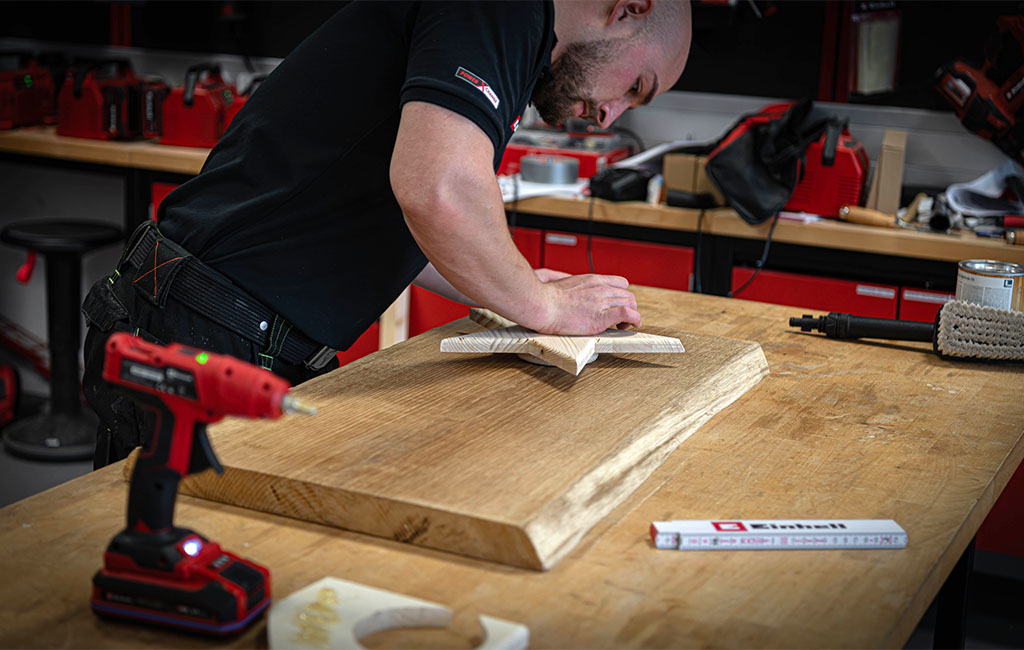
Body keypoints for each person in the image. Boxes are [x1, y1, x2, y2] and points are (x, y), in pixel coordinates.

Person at [81, 0, 693, 467]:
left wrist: (513, 281)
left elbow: (404, 211)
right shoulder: (505, 8)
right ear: (629, 7)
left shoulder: (505, 32)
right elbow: (436, 190)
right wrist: (544, 307)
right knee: (159, 582)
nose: (612, 114)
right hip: (201, 330)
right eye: (636, 87)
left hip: (217, 323)